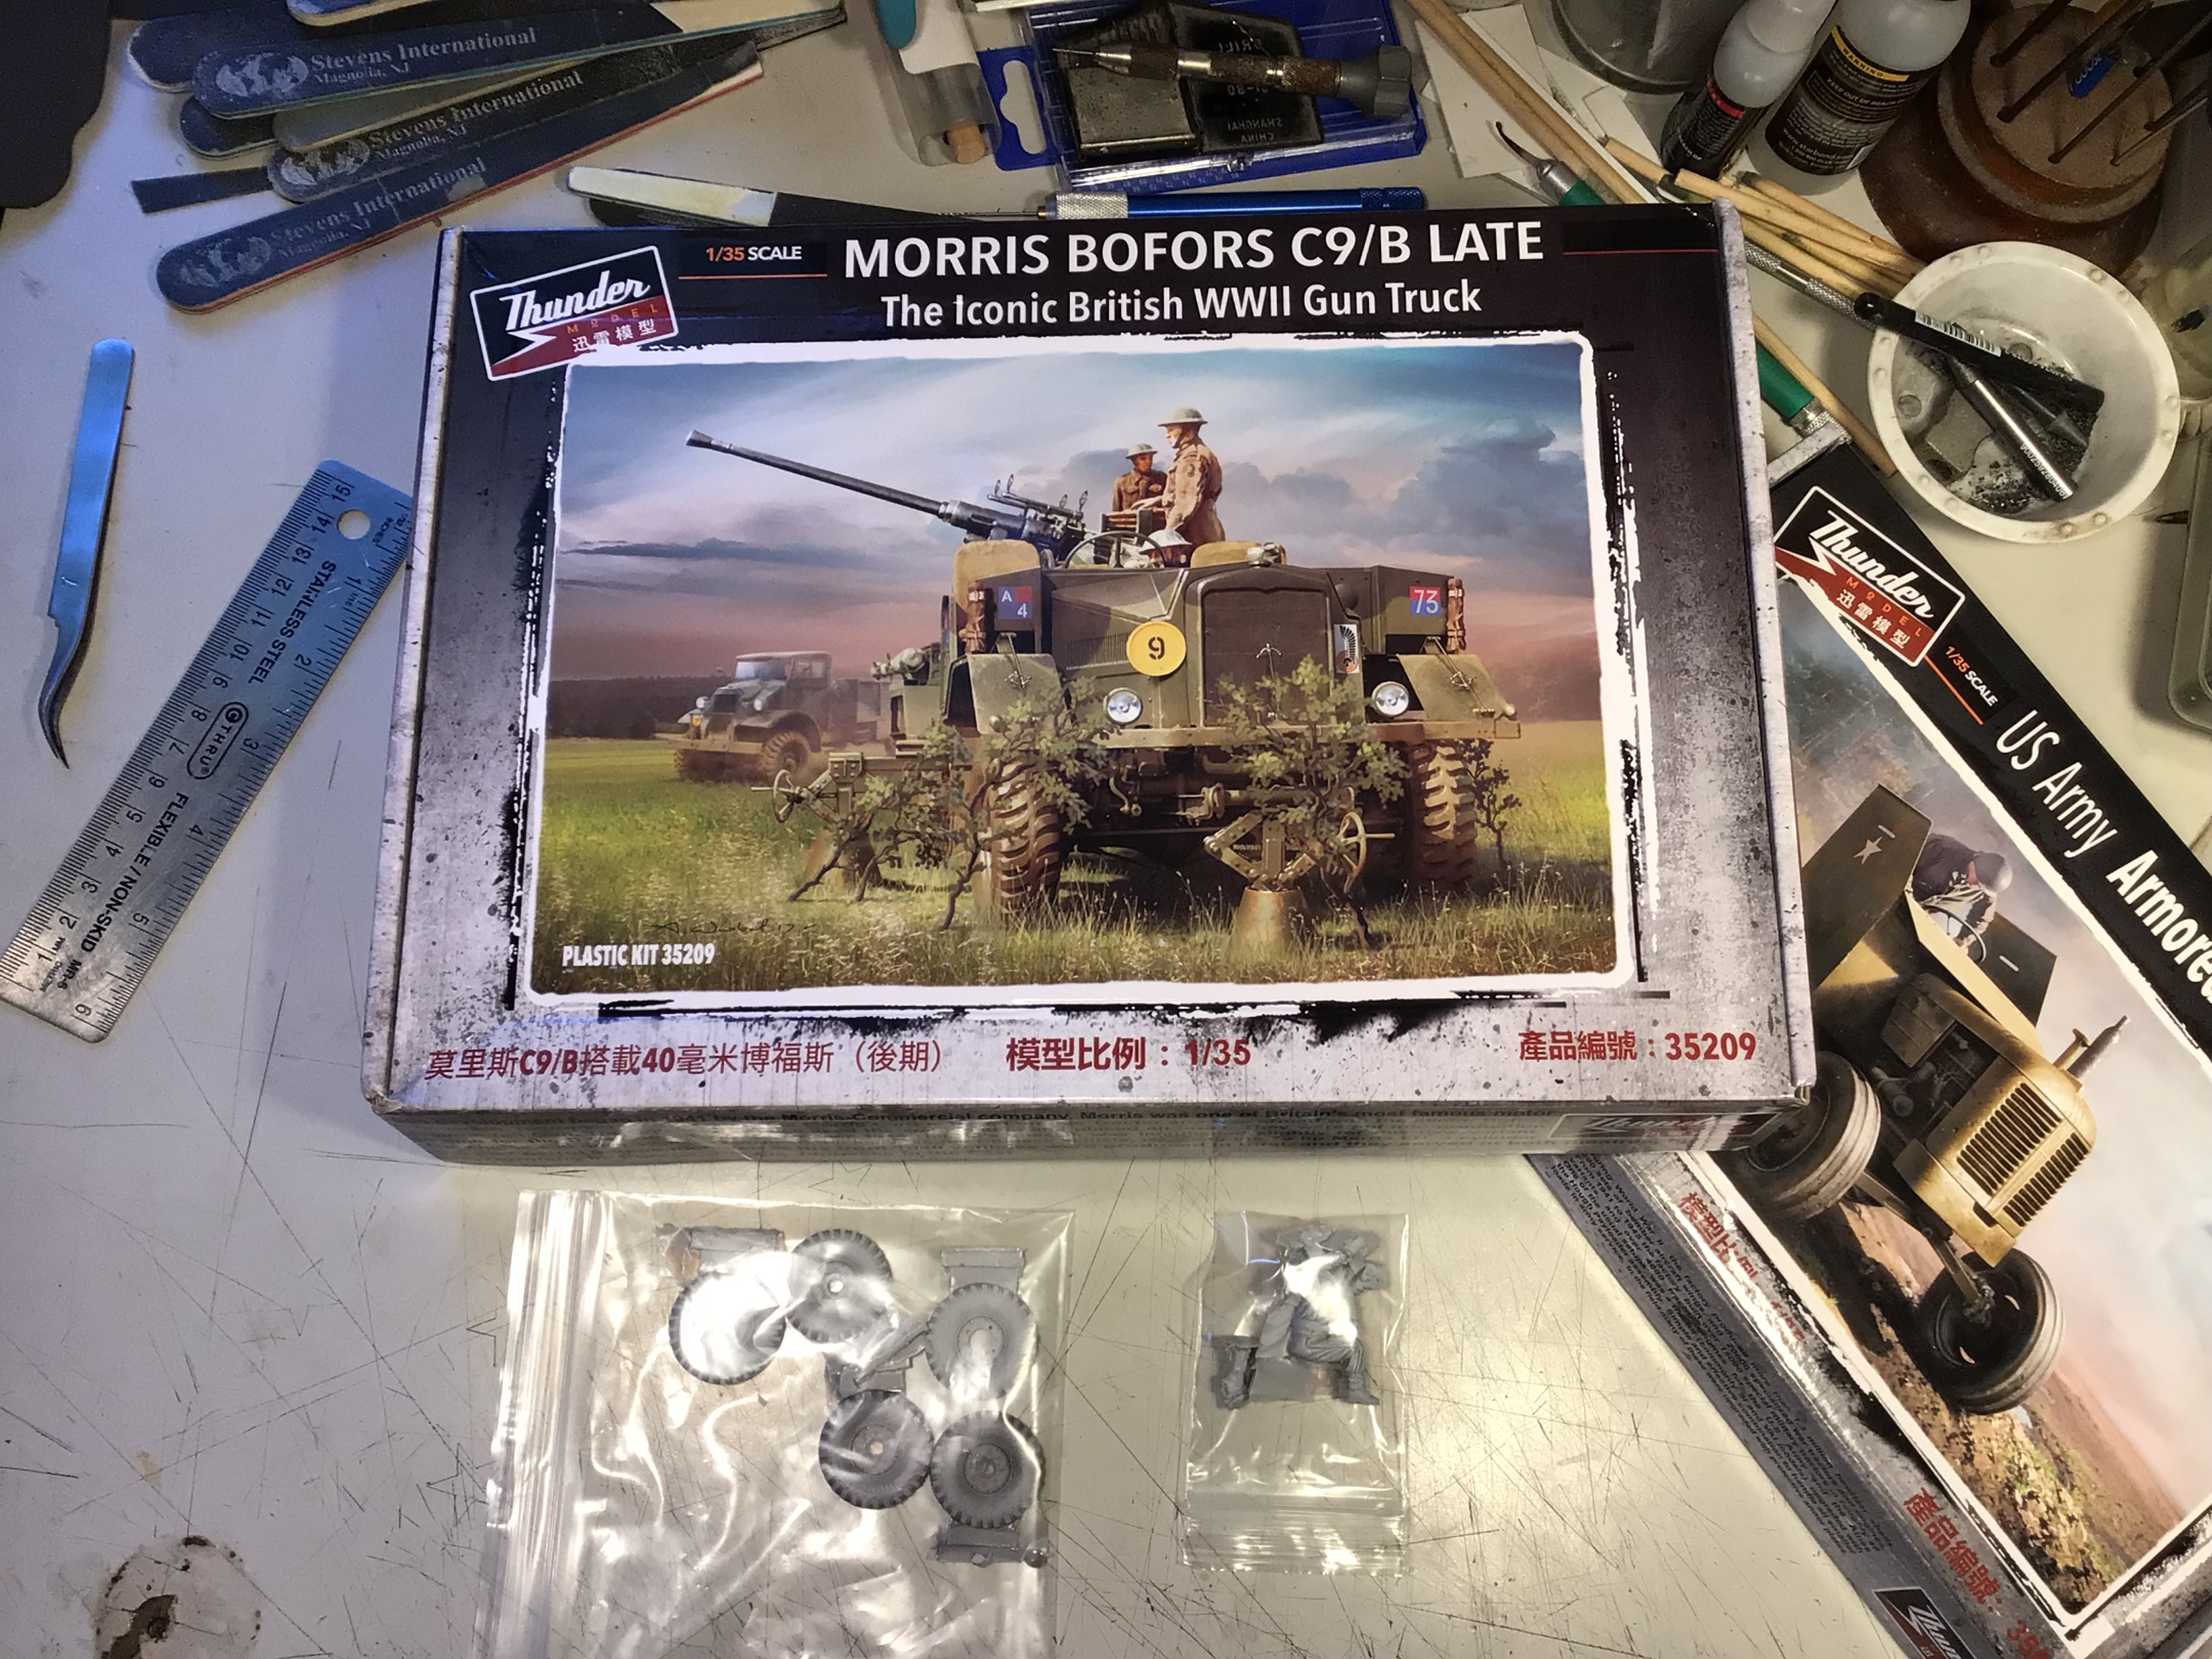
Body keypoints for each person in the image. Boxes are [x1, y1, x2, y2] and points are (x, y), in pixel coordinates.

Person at [1910, 832, 2012, 947]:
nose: (1978, 887)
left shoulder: (1985, 888)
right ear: (1976, 864)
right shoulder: (1941, 847)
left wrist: (1964, 939)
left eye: (1982, 887)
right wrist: (1909, 899)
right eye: (1979, 882)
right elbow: (1904, 858)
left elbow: (1983, 918)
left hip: (1917, 920)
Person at [1158, 405, 1224, 546]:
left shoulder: (1192, 458)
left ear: (1188, 432)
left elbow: (1187, 501)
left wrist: (1168, 535)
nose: (1167, 435)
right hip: (1197, 527)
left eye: (1171, 430)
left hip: (1195, 532)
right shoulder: (1192, 454)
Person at [1111, 443, 1165, 512]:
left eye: (1150, 458)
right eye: (1143, 459)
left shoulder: (1162, 478)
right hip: (1131, 518)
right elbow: (1116, 511)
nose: (1149, 461)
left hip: (1156, 517)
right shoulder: (1122, 482)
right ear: (1134, 461)